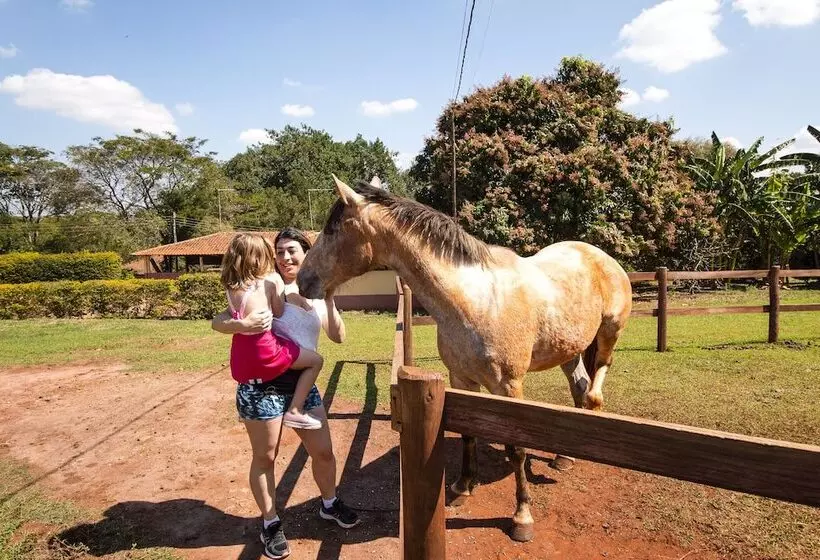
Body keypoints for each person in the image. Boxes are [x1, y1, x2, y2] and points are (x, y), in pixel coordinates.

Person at [212, 227, 359, 560]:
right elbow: (221, 318)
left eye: (292, 250)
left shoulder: (316, 292)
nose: (285, 257)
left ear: (306, 252)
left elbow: (339, 336)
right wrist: (240, 326)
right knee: (265, 457)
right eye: (279, 251)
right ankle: (270, 522)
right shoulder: (264, 282)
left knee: (323, 451)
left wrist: (330, 296)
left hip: (301, 382)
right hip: (262, 386)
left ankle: (329, 503)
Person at [220, 232, 324, 430]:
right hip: (266, 349)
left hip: (242, 352)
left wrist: (242, 324)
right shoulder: (271, 280)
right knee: (316, 361)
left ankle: (253, 411)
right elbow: (279, 310)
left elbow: (226, 317)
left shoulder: (232, 286)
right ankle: (295, 410)